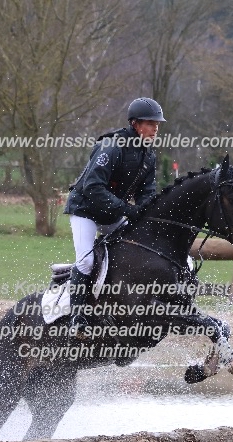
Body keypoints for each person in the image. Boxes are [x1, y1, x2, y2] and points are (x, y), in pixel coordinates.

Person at [63, 97, 166, 338]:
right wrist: (127, 210)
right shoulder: (113, 145)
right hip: (85, 210)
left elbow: (147, 192)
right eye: (151, 124)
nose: (155, 128)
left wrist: (145, 213)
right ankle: (77, 317)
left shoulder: (148, 155)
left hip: (112, 213)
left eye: (157, 124)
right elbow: (93, 187)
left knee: (138, 249)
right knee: (87, 261)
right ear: (135, 124)